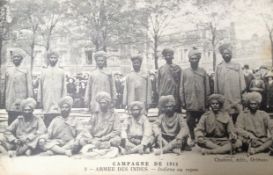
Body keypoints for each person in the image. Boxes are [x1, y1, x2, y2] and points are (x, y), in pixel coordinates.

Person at [180, 47, 210, 146]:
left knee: (203, 122)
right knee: (190, 122)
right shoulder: (184, 72)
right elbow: (181, 88)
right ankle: (192, 138)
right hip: (190, 102)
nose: (194, 60)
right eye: (192, 59)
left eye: (195, 58)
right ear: (189, 60)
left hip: (201, 102)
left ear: (198, 59)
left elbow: (207, 87)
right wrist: (183, 101)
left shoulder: (203, 71)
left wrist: (207, 101)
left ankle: (201, 138)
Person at [79, 92, 121, 158]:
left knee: (117, 140)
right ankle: (98, 147)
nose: (102, 105)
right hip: (95, 138)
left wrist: (103, 139)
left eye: (104, 103)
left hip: (108, 139)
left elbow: (117, 131)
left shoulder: (114, 114)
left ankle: (97, 148)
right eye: (101, 103)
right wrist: (91, 138)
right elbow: (88, 127)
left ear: (108, 103)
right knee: (81, 140)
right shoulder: (95, 113)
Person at [37, 51, 67, 127]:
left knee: (57, 118)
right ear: (48, 59)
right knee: (47, 118)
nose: (53, 59)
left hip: (58, 99)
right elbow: (40, 86)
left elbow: (64, 87)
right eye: (51, 58)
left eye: (54, 58)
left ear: (57, 59)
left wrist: (64, 100)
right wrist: (39, 99)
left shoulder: (61, 72)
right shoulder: (44, 71)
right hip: (47, 98)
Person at [4, 51, 33, 125]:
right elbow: (5, 86)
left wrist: (30, 99)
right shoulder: (8, 69)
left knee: (21, 118)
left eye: (18, 57)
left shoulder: (26, 69)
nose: (16, 59)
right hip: (10, 98)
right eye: (14, 57)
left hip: (22, 99)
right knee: (11, 118)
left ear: (21, 59)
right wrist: (5, 99)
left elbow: (29, 85)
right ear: (12, 59)